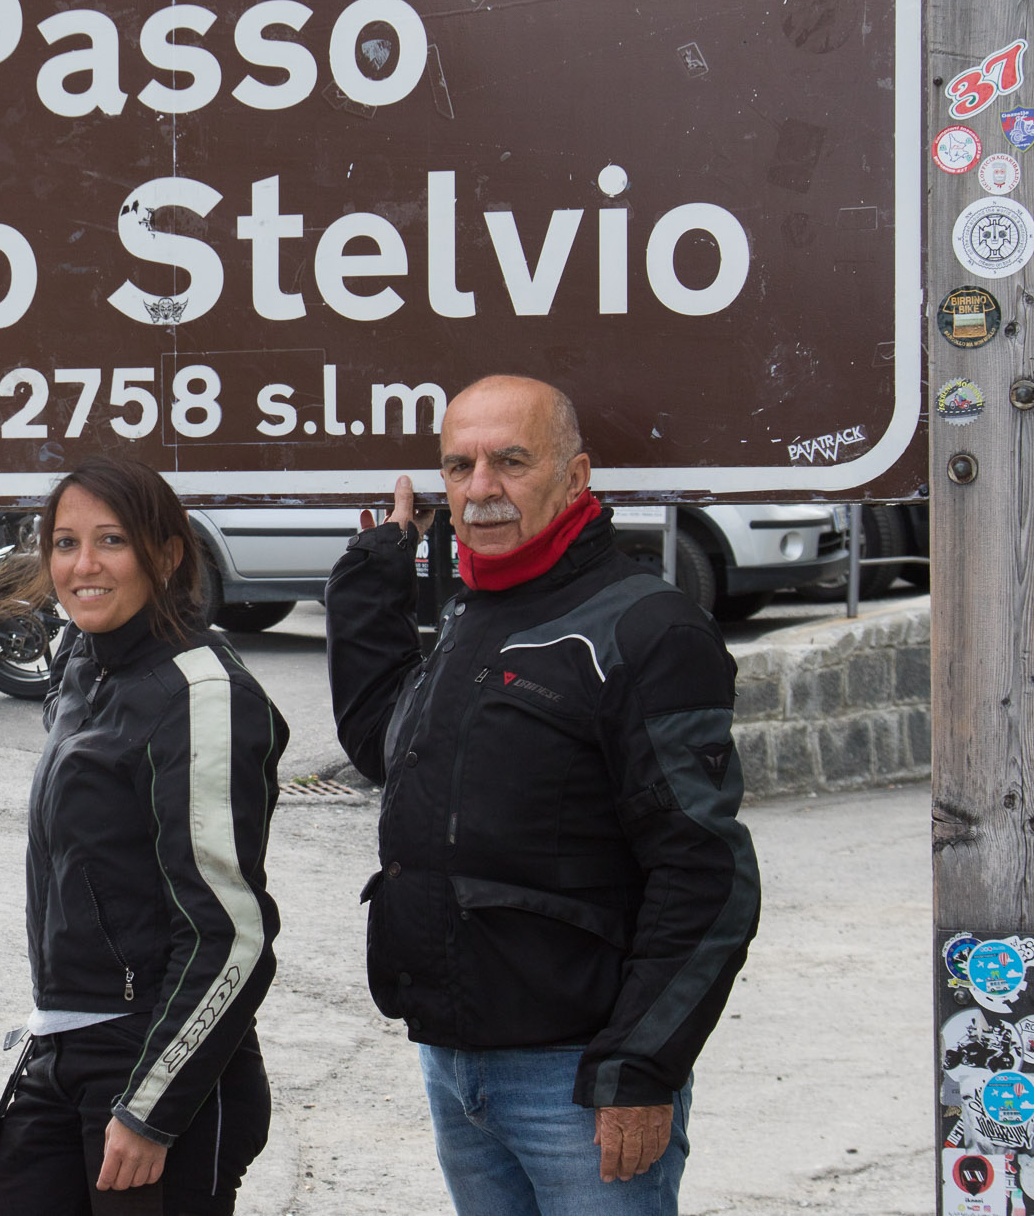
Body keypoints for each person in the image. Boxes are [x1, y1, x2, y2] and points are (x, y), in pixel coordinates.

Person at [324, 375, 760, 1215]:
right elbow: (387, 742)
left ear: (575, 475)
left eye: (511, 461)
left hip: (578, 1078)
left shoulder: (648, 628)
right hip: (454, 1060)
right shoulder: (476, 608)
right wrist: (374, 576)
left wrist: (641, 1065)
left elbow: (707, 873)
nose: (480, 488)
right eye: (459, 466)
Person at [0, 456, 285, 1216]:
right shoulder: (86, 665)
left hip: (153, 1062)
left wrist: (153, 1106)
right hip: (63, 1046)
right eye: (65, 542)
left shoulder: (202, 693)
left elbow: (231, 934)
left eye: (111, 540)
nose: (82, 564)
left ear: (168, 553)